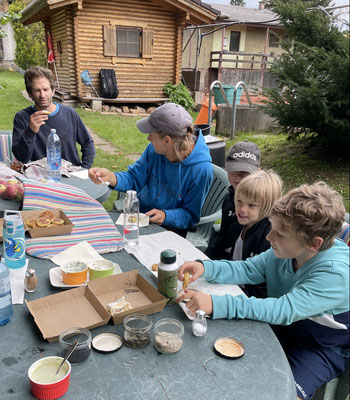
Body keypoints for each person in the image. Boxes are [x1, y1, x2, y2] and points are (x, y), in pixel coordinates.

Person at [178, 182, 349, 400]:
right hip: (281, 329)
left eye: (280, 234)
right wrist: (206, 267)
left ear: (313, 244)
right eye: (272, 228)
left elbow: (283, 310)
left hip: (319, 348)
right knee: (222, 364)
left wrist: (217, 304)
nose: (269, 238)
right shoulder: (286, 251)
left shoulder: (335, 274)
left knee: (283, 395)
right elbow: (249, 268)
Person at [89, 103, 213, 237]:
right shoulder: (153, 150)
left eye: (151, 134)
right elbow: (135, 178)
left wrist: (165, 216)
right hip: (140, 218)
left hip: (170, 231)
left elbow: (190, 215)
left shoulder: (201, 170)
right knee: (99, 231)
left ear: (167, 141)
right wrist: (111, 177)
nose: (148, 138)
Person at [12, 66, 95, 169]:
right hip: (41, 177)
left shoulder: (69, 113)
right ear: (30, 94)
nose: (42, 95)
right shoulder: (22, 117)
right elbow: (22, 158)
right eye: (37, 90)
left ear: (53, 91)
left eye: (46, 89)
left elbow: (88, 143)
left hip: (72, 174)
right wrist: (30, 131)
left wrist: (84, 169)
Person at [205, 140, 261, 260]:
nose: (238, 176)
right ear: (226, 168)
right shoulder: (229, 198)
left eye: (246, 172)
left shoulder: (263, 205)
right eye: (234, 170)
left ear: (258, 173)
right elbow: (222, 237)